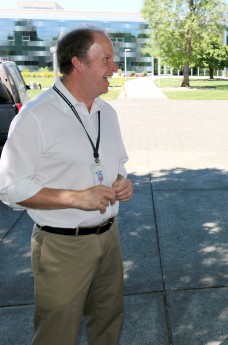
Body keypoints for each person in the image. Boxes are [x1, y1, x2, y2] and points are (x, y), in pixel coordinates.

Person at [0, 27, 133, 345]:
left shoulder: (107, 112)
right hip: (62, 246)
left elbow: (117, 166)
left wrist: (121, 182)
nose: (115, 68)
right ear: (78, 63)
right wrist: (76, 198)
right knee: (56, 333)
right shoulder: (36, 116)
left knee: (108, 321)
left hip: (109, 239)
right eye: (107, 59)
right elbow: (10, 187)